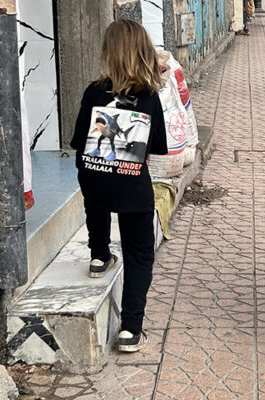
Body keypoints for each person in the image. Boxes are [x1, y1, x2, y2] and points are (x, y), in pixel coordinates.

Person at [70, 19, 169, 353]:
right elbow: (156, 146)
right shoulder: (149, 96)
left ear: (106, 53)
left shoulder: (93, 91)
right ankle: (130, 329)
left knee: (94, 196)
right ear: (145, 53)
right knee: (139, 252)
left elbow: (77, 141)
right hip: (130, 183)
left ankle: (99, 255)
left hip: (93, 176)